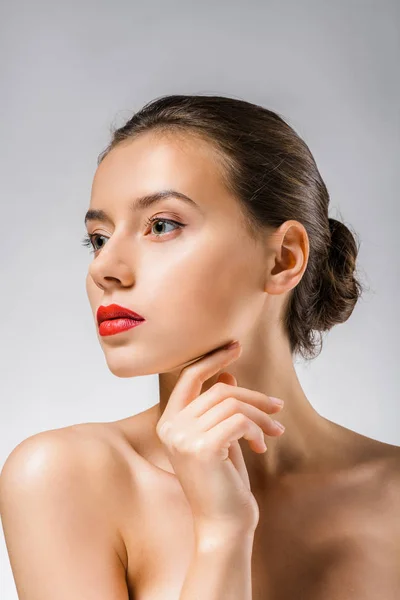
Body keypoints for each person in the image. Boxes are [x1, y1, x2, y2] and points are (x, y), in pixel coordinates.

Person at [1, 94, 399, 599]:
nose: (104, 268)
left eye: (162, 226)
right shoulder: (62, 479)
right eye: (98, 237)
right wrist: (221, 535)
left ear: (283, 259)